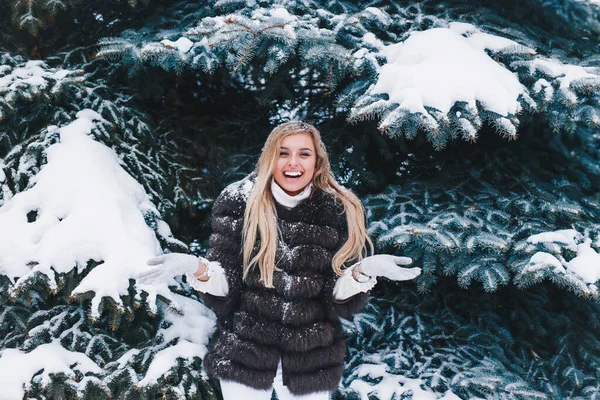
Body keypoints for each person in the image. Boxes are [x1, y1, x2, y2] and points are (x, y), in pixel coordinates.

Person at [136, 121, 421, 399]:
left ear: (317, 162)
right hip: (244, 352)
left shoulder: (337, 209)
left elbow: (334, 293)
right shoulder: (240, 201)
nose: (292, 163)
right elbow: (227, 283)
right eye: (283, 153)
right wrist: (195, 268)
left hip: (310, 359)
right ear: (270, 158)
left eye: (303, 154)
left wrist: (364, 271)